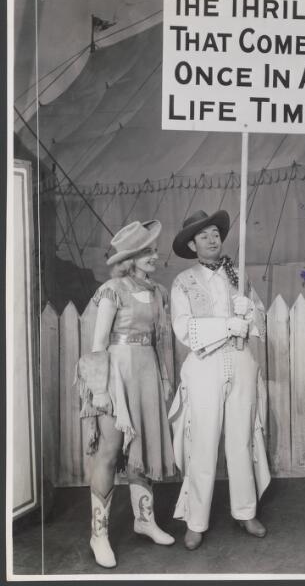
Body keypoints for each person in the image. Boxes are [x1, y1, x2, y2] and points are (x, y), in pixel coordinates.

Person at [168, 209, 270, 550]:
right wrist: (227, 324)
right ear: (192, 244)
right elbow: (183, 329)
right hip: (204, 363)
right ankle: (196, 520)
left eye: (215, 233)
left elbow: (260, 322)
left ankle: (245, 511)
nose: (212, 239)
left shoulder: (237, 275)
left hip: (240, 360)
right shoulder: (183, 282)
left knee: (240, 440)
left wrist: (249, 312)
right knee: (204, 442)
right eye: (204, 235)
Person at [76, 220, 176, 568]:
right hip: (116, 374)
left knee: (143, 446)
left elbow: (161, 341)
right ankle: (98, 534)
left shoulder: (158, 292)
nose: (154, 256)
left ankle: (144, 519)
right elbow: (98, 344)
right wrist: (101, 391)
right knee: (109, 450)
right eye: (146, 251)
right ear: (130, 258)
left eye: (153, 250)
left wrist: (164, 379)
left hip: (147, 371)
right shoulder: (111, 290)